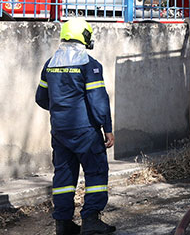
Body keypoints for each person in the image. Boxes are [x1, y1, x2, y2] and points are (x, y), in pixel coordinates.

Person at [36, 18, 116, 235]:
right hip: (86, 131)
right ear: (85, 37)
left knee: (63, 176)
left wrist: (60, 111)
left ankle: (63, 224)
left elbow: (41, 98)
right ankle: (90, 220)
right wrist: (107, 128)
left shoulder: (50, 64)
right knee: (96, 172)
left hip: (60, 131)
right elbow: (98, 101)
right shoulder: (89, 65)